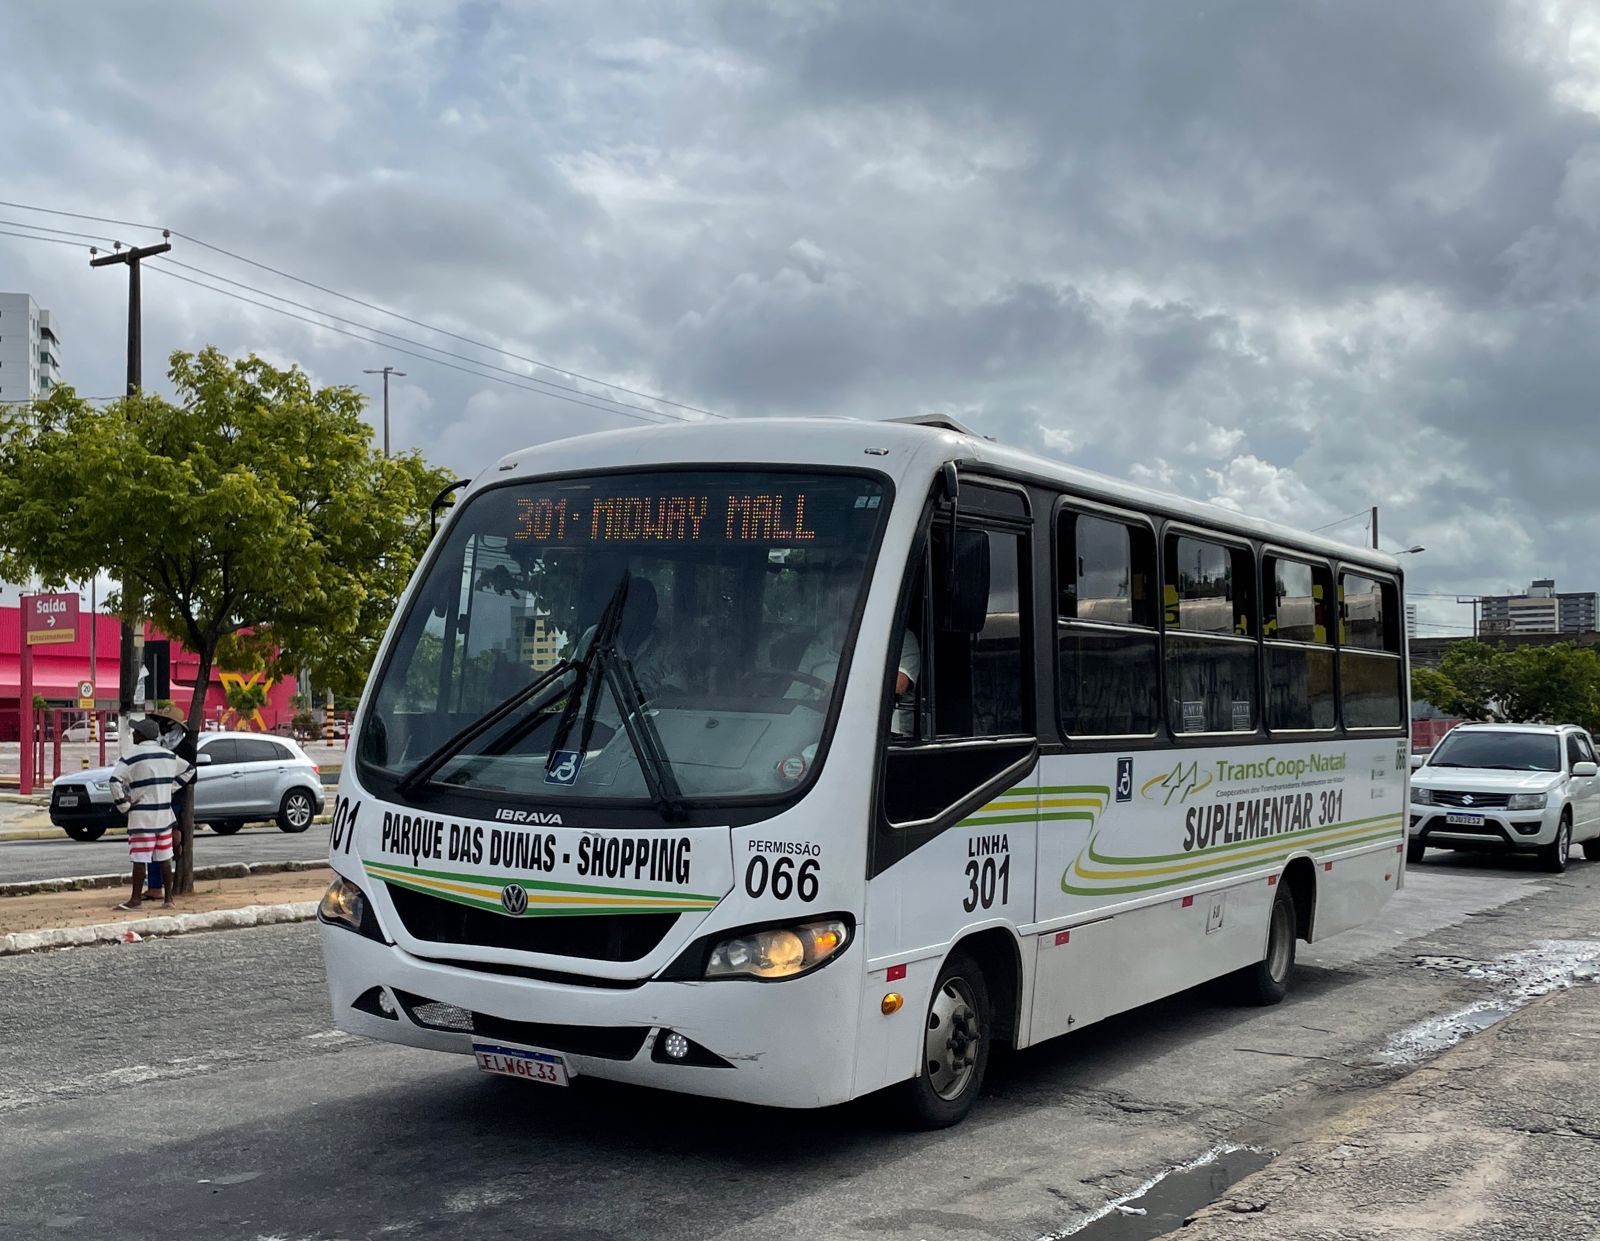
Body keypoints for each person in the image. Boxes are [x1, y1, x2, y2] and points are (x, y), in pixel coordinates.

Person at [108, 716, 194, 912]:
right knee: (164, 857)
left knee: (140, 859)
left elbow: (114, 780)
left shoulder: (133, 755)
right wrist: (169, 788)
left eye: (135, 731)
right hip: (164, 814)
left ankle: (135, 900)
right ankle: (169, 899)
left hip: (141, 816)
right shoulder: (168, 755)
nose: (133, 734)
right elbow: (189, 770)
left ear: (141, 735)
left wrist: (124, 805)